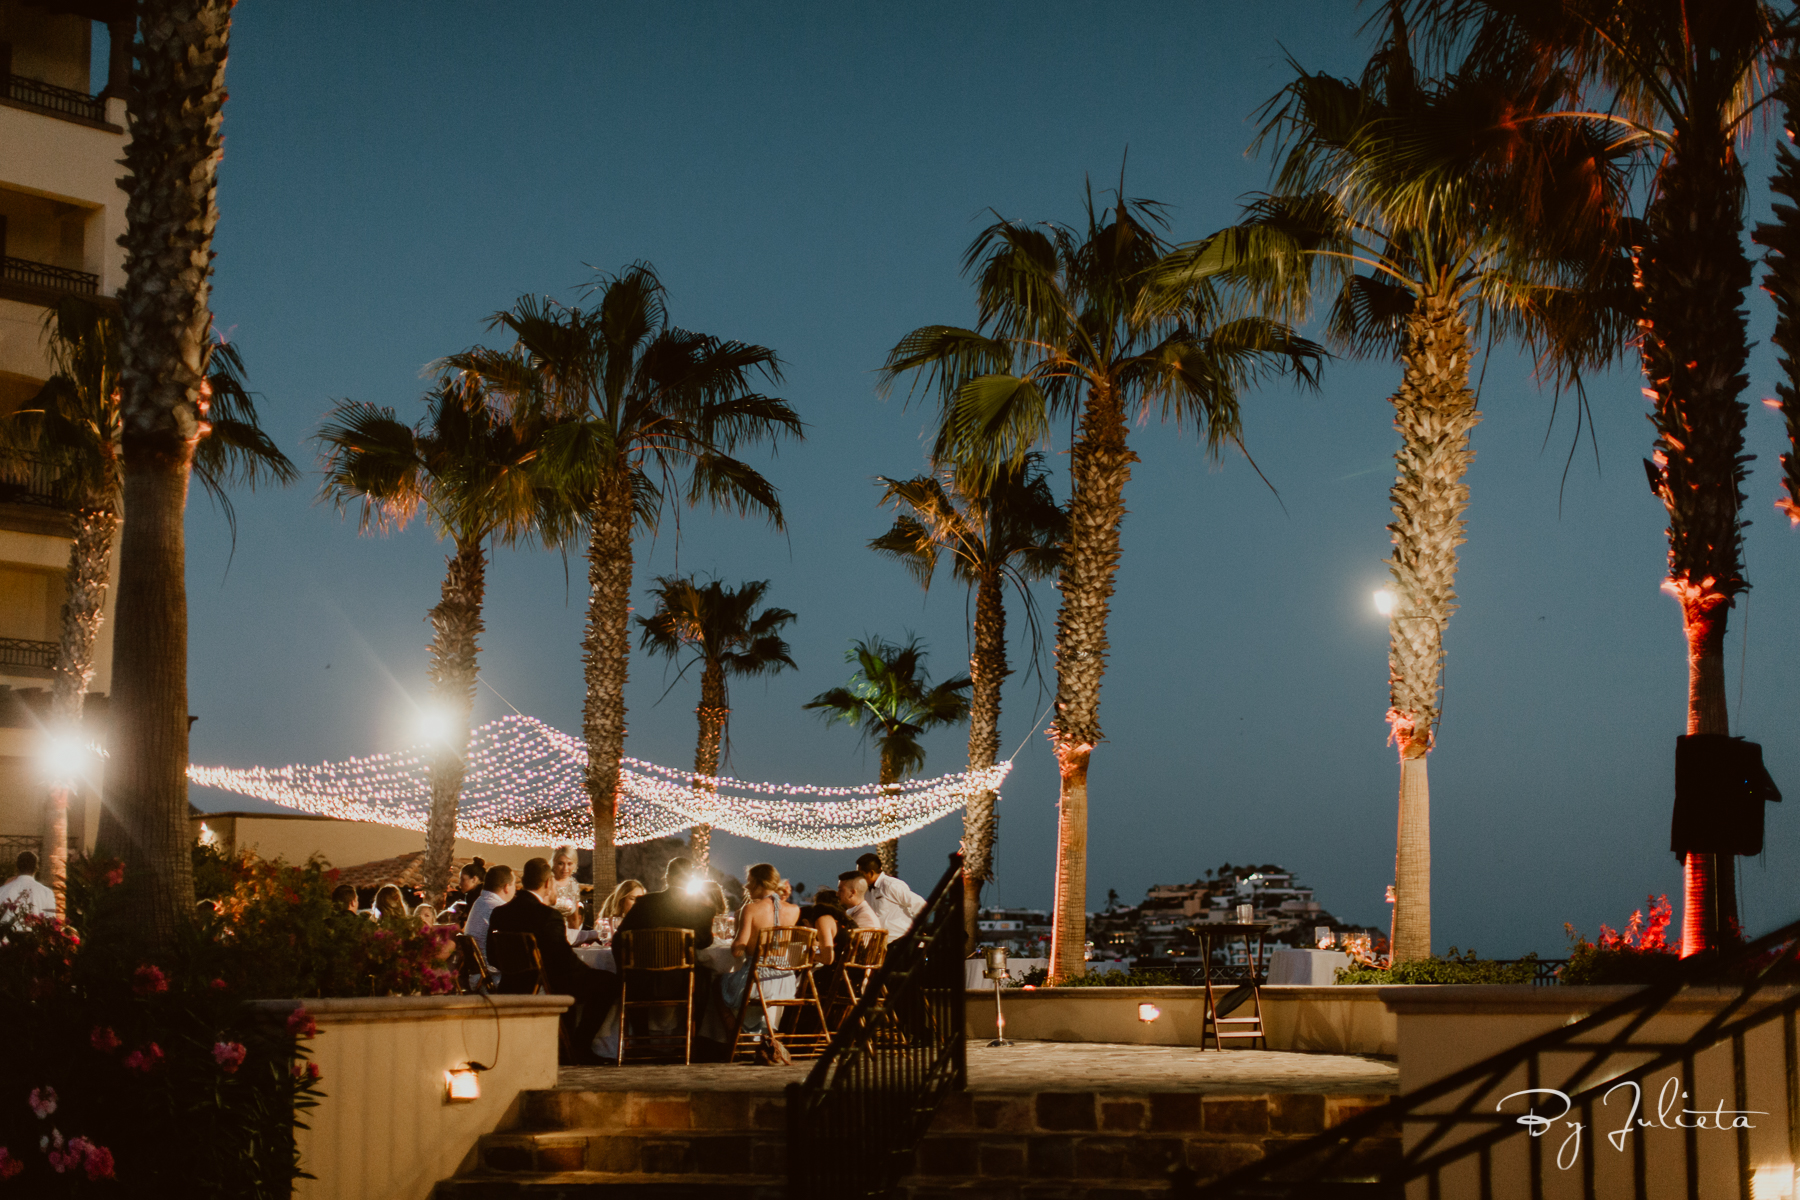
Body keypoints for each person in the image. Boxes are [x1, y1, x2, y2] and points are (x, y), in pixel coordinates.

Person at [487, 857, 619, 1061]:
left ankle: (567, 1048)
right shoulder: (548, 916)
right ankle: (579, 1047)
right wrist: (586, 968)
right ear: (548, 883)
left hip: (511, 984)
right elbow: (564, 961)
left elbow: (492, 955)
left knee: (581, 982)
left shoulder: (500, 913)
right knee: (608, 983)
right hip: (546, 982)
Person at [718, 863, 803, 1063]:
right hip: (786, 982)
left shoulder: (751, 909)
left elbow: (738, 948)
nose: (746, 887)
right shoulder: (794, 910)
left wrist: (737, 931)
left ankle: (736, 1037)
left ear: (757, 883)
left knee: (718, 984)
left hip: (757, 981)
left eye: (748, 882)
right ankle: (760, 1039)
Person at [616, 857, 715, 951]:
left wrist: (624, 968)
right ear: (691, 879)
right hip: (684, 969)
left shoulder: (644, 902)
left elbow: (619, 938)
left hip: (644, 968)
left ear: (667, 878)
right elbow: (703, 942)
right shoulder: (699, 906)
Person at [856, 853, 925, 940]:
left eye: (860, 874)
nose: (858, 878)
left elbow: (919, 903)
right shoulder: (866, 892)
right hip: (881, 943)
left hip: (901, 940)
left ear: (871, 873)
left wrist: (919, 929)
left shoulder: (891, 885)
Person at [465, 864, 515, 962]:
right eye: (513, 885)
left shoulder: (480, 902)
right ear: (507, 887)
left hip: (478, 970)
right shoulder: (497, 908)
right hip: (491, 971)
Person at [0, 851, 56, 924]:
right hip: (35, 934)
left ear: (17, 867)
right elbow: (51, 922)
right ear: (37, 868)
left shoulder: (2, 890)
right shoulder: (47, 892)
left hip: (7, 934)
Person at [550, 845, 582, 922]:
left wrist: (575, 933)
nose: (565, 869)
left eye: (569, 864)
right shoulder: (548, 882)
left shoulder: (573, 884)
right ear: (554, 862)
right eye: (561, 863)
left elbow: (574, 919)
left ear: (575, 864)